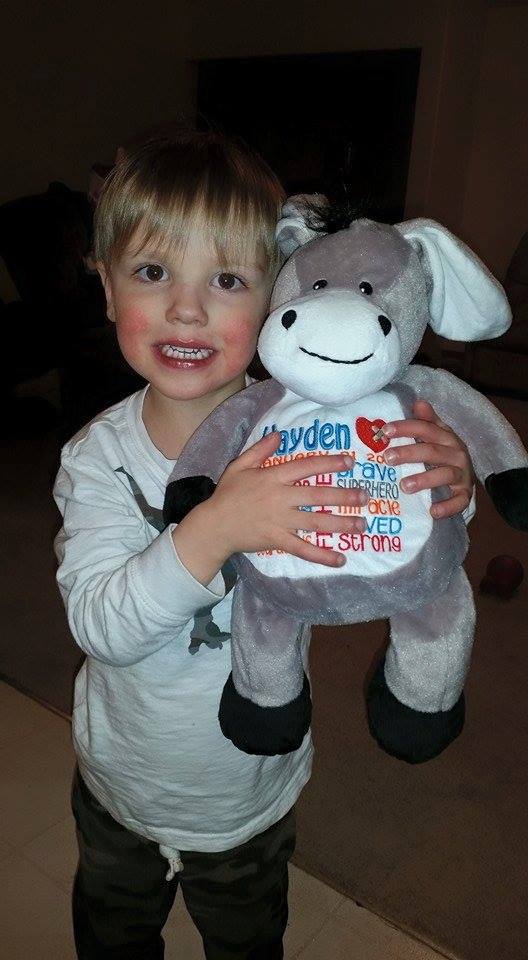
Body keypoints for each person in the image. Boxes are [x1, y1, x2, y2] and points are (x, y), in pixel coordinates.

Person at [53, 130, 475, 960]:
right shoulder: (96, 459)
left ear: (279, 292)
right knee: (111, 935)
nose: (186, 309)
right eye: (152, 272)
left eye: (227, 280)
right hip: (122, 790)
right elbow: (100, 625)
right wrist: (216, 527)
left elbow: (382, 536)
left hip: (251, 792)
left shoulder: (323, 424)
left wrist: (440, 479)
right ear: (106, 288)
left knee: (248, 941)